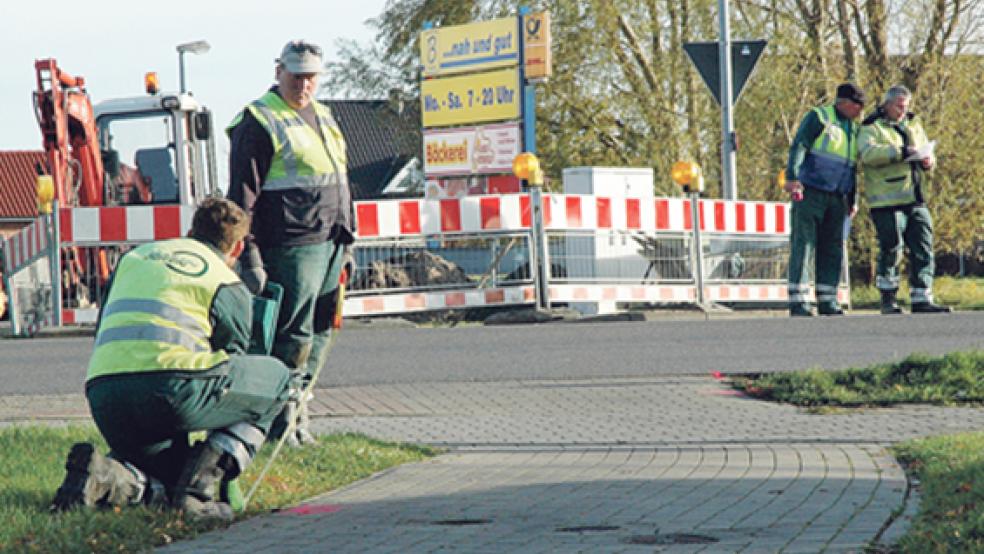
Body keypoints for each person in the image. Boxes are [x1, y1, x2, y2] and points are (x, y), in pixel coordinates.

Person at [51, 198, 292, 521]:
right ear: (235, 251)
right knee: (277, 379)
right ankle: (198, 493)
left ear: (190, 231)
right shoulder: (226, 280)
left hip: (105, 396)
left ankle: (102, 475)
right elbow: (230, 362)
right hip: (173, 392)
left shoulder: (134, 258)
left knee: (165, 480)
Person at [226, 40, 354, 445]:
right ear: (278, 70)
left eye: (310, 77)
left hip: (332, 239)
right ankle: (281, 426)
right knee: (292, 336)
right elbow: (241, 196)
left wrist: (347, 238)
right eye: (296, 76)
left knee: (319, 332)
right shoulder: (259, 121)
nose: (303, 84)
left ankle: (300, 418)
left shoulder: (325, 115)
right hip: (292, 243)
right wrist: (249, 255)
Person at [858, 85, 951, 314]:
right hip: (887, 201)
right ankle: (888, 299)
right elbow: (867, 154)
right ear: (887, 104)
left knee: (923, 247)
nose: (902, 110)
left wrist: (929, 161)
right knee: (892, 248)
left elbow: (925, 150)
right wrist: (900, 152)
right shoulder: (871, 127)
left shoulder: (914, 124)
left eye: (906, 106)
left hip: (916, 196)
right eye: (899, 106)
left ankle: (922, 297)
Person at [784, 82, 866, 317]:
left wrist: (853, 198)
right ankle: (799, 300)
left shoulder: (853, 128)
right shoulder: (820, 117)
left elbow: (851, 166)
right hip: (810, 190)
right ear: (846, 103)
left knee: (832, 248)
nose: (860, 111)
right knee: (805, 244)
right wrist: (792, 177)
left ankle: (828, 299)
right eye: (858, 106)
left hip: (838, 196)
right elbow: (799, 145)